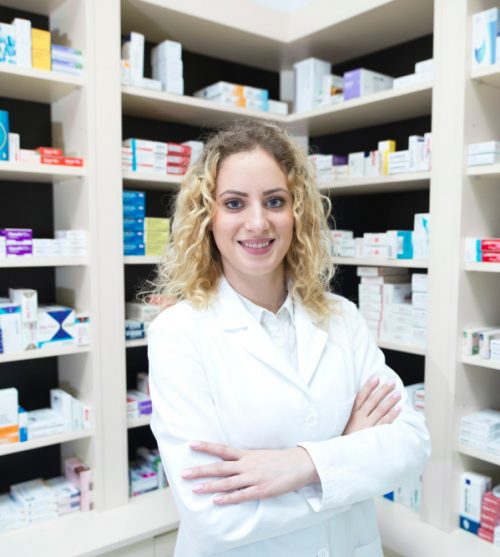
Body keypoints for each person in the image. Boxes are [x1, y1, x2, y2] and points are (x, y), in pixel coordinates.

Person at [147, 120, 431, 557]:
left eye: (275, 201)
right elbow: (216, 514)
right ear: (208, 216)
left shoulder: (342, 318)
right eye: (234, 203)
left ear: (297, 211)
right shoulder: (180, 333)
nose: (257, 223)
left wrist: (302, 464)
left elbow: (412, 443)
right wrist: (345, 457)